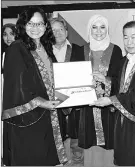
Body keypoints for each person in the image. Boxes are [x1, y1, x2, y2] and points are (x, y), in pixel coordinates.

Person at [1, 7, 67, 165]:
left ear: (45, 26)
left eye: (40, 24)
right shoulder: (16, 48)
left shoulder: (45, 48)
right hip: (28, 117)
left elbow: (53, 78)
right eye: (31, 23)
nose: (35, 28)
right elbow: (17, 85)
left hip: (46, 116)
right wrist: (41, 102)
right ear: (23, 25)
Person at [91, 21, 135, 166]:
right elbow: (120, 84)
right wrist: (106, 79)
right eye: (125, 37)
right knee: (124, 157)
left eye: (134, 37)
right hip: (123, 118)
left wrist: (111, 100)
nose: (129, 42)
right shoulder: (124, 61)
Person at [77, 14, 123, 166]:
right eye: (94, 27)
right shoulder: (81, 50)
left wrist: (106, 79)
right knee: (89, 140)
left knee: (109, 141)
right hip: (87, 106)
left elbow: (120, 80)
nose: (98, 31)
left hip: (107, 105)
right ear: (89, 29)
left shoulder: (115, 50)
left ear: (107, 29)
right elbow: (74, 77)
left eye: (102, 27)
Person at [50, 16, 84, 165]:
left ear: (67, 31)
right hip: (53, 103)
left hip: (75, 103)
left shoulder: (79, 50)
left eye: (61, 29)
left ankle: (77, 163)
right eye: (53, 30)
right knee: (56, 139)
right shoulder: (44, 52)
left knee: (77, 140)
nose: (58, 33)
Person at [1, 23, 17, 166]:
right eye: (5, 34)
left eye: (11, 33)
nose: (8, 37)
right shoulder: (4, 54)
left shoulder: (22, 53)